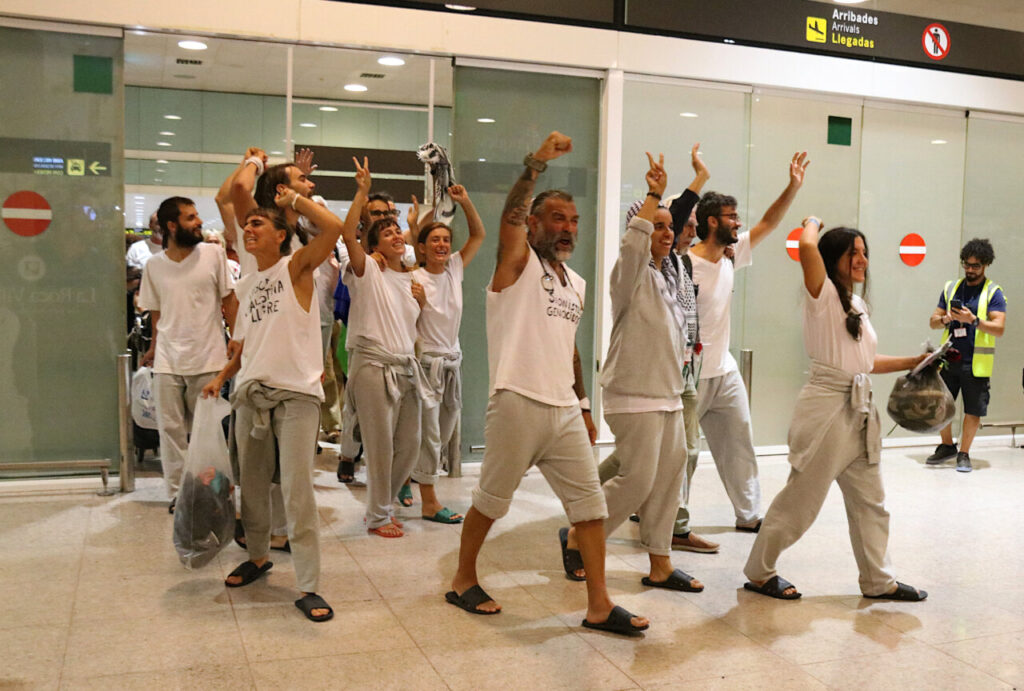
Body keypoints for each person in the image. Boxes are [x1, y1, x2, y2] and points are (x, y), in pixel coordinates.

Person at [446, 131, 649, 637]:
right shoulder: (516, 264)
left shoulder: (574, 282)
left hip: (562, 408)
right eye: (557, 218)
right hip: (516, 400)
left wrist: (582, 401)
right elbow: (509, 218)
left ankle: (599, 603)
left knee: (591, 509)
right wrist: (535, 164)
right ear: (534, 223)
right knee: (491, 502)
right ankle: (462, 577)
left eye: (573, 221)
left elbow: (570, 347)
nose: (567, 228)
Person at [201, 164, 362, 623]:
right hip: (251, 393)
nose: (248, 227)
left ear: (279, 234)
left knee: (296, 491)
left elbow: (330, 227)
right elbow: (245, 341)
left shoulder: (297, 267)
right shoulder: (248, 283)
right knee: (251, 488)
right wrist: (223, 375)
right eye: (247, 223)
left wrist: (291, 200)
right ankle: (256, 556)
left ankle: (309, 585)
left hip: (296, 396)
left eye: (257, 223)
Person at [743, 216, 927, 602]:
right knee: (801, 502)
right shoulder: (821, 292)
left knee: (871, 502)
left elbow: (866, 361)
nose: (861, 260)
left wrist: (916, 360)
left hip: (858, 410)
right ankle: (759, 573)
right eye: (852, 253)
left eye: (864, 253)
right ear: (832, 259)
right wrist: (811, 221)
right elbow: (807, 247)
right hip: (828, 408)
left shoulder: (855, 302)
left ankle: (879, 580)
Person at [591, 151, 703, 593]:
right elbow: (633, 245)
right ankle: (582, 535)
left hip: (669, 394)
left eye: (669, 227)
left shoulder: (668, 275)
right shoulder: (630, 274)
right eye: (657, 225)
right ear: (638, 230)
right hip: (633, 392)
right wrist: (654, 193)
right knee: (636, 479)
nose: (666, 233)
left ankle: (659, 563)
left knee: (668, 479)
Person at [688, 152, 809, 533]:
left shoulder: (729, 256)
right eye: (731, 217)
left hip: (723, 372)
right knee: (679, 456)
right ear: (711, 222)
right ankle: (664, 518)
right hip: (688, 377)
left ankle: (749, 514)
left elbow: (769, 221)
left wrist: (793, 187)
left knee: (739, 442)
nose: (738, 224)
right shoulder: (683, 264)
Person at [340, 160, 436, 538]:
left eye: (398, 230)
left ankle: (386, 504)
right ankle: (378, 514)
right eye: (387, 232)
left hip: (404, 366)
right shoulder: (367, 271)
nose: (396, 235)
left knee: (409, 446)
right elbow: (348, 235)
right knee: (379, 446)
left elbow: (411, 325)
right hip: (372, 365)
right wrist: (362, 193)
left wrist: (422, 302)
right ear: (374, 244)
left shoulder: (412, 280)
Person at [138, 196, 238, 512]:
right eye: (191, 217)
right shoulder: (153, 266)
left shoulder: (213, 254)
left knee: (207, 432)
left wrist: (238, 339)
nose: (198, 223)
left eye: (197, 216)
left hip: (208, 356)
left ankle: (209, 489)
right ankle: (178, 494)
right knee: (170, 431)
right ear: (172, 225)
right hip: (168, 359)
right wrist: (154, 346)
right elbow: (156, 312)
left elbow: (230, 300)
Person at [409, 184, 486, 523]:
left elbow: (479, 235)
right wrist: (418, 305)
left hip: (452, 362)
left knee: (444, 429)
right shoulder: (413, 277)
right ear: (422, 248)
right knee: (430, 436)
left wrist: (465, 202)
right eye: (434, 240)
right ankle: (428, 501)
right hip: (427, 365)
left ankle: (409, 478)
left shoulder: (455, 267)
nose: (442, 245)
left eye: (446, 240)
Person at [927, 238, 1006, 472]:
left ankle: (964, 452)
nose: (970, 270)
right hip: (949, 359)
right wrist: (946, 319)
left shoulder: (993, 292)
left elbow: (999, 328)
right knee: (942, 404)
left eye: (976, 266)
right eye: (967, 265)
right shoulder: (951, 287)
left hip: (976, 363)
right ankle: (946, 445)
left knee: (973, 409)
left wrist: (974, 320)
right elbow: (932, 321)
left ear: (986, 265)